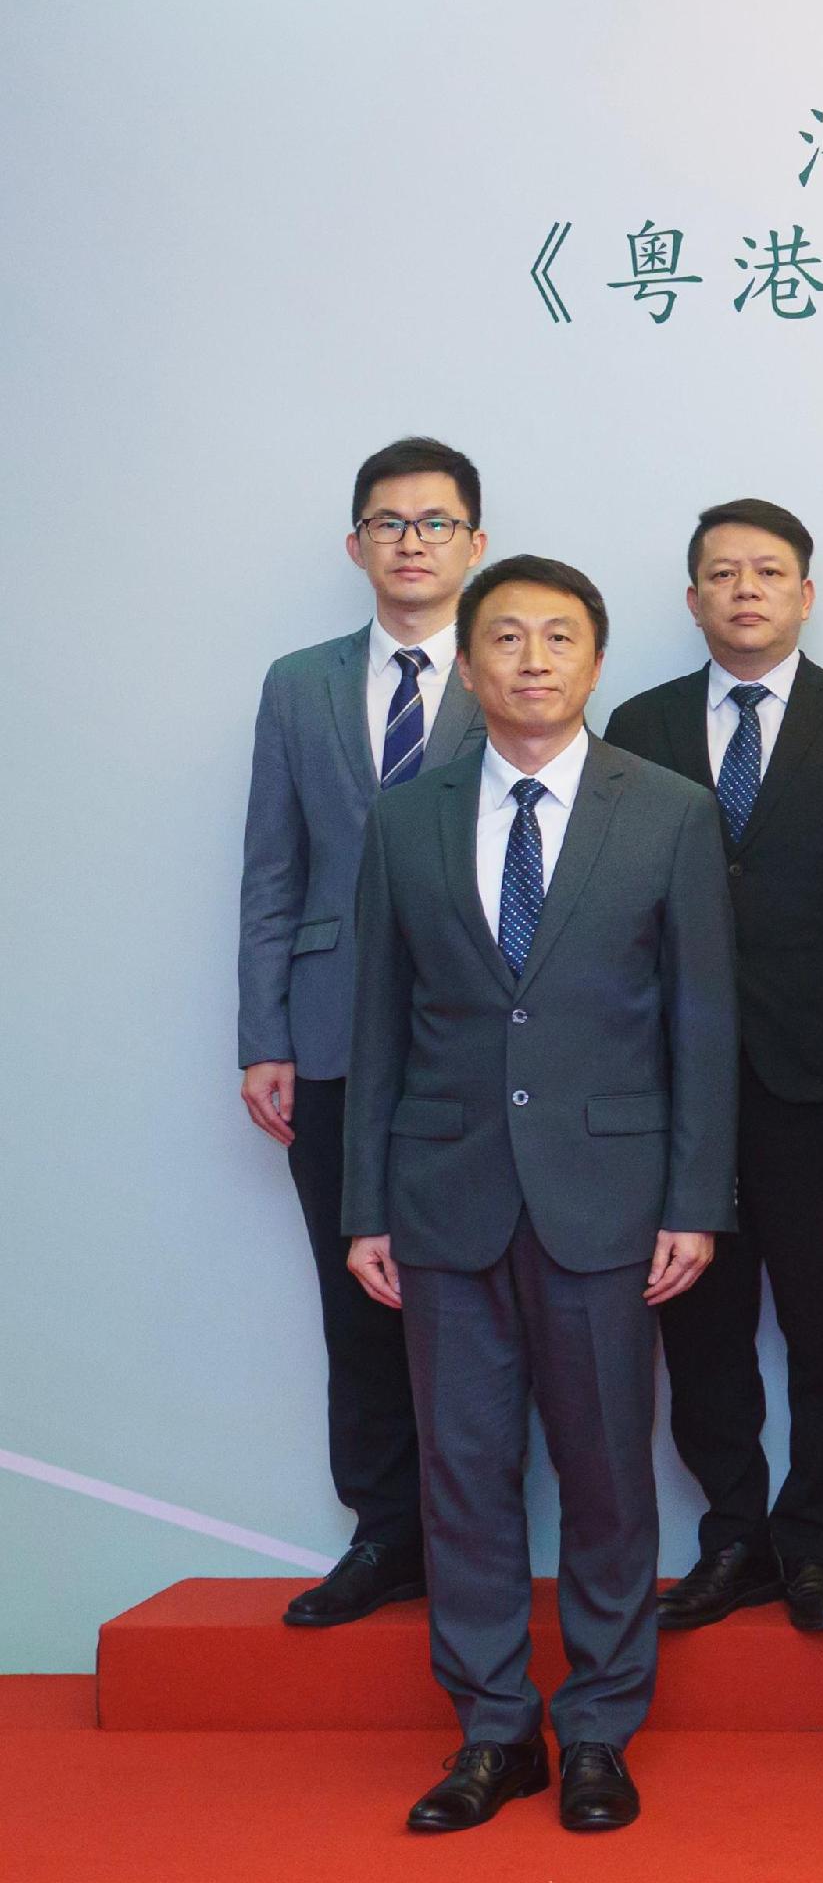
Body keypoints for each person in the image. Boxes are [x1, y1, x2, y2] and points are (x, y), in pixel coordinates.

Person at [343, 556, 733, 1833]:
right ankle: (493, 1730)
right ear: (466, 666)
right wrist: (365, 1207)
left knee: (609, 1473)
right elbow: (378, 1025)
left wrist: (694, 1198)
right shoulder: (407, 818)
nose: (530, 660)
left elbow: (701, 1021)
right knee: (463, 1474)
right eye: (503, 638)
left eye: (557, 638)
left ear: (596, 661)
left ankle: (601, 1731)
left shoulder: (667, 810)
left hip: (609, 1198)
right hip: (442, 1193)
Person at [603, 499, 823, 1635]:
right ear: (692, 600)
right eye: (722, 574)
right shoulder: (633, 725)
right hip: (675, 1084)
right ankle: (732, 1533)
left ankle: (819, 1546)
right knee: (699, 1323)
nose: (746, 590)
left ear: (807, 593)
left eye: (769, 571)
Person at [241, 437, 488, 1628]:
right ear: (355, 545)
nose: (411, 542)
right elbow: (271, 871)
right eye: (389, 523)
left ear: (474, 545)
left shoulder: (515, 667)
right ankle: (385, 1532)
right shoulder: (299, 683)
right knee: (358, 1299)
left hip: (470, 1038)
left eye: (436, 523)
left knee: (479, 1296)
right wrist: (262, 1032)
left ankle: (479, 1536)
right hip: (331, 1031)